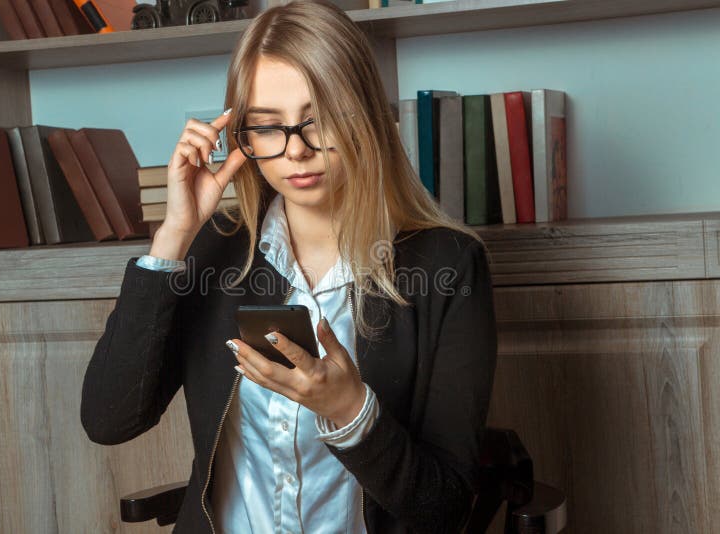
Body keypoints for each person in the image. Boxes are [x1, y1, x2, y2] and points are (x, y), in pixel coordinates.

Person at [80, 1, 497, 533]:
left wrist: (351, 412)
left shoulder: (449, 265)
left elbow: (445, 510)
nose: (295, 152)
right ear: (241, 137)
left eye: (317, 120)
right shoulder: (213, 252)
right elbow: (108, 421)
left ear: (366, 116)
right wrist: (173, 238)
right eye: (267, 127)